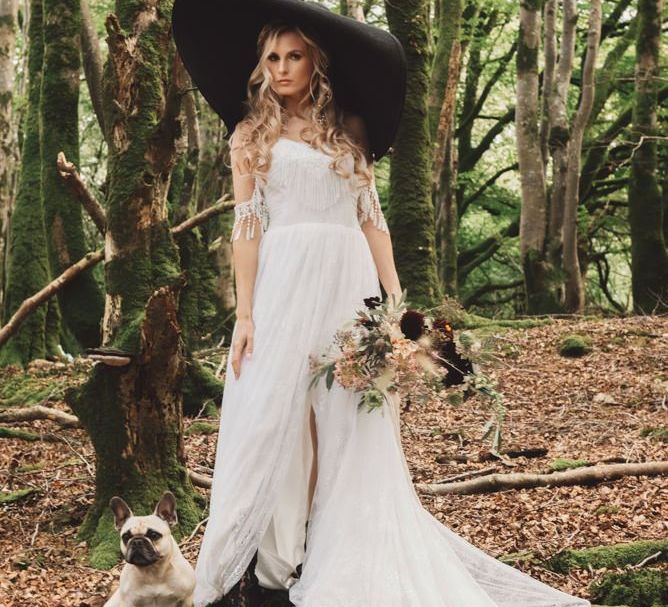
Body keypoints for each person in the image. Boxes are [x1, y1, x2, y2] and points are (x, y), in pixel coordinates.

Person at [172, 4, 593, 607]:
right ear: (260, 67)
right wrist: (245, 314)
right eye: (273, 58)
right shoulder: (248, 134)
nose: (284, 68)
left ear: (315, 61)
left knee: (346, 410)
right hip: (284, 280)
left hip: (347, 276)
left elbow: (372, 218)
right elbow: (246, 228)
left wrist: (395, 302)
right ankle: (275, 557)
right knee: (273, 408)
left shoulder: (349, 126)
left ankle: (332, 545)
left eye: (295, 56)